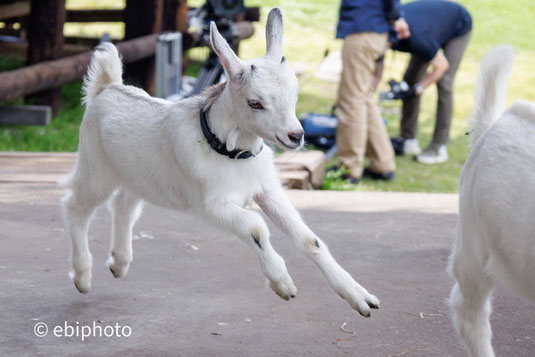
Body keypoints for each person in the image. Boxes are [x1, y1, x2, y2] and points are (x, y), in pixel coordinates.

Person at [334, 0, 409, 184]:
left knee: (351, 100)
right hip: (373, 29)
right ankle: (383, 164)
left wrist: (397, 16)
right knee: (364, 98)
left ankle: (349, 167)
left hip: (363, 30)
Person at [390, 0, 472, 164]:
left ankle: (438, 146)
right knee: (410, 79)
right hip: (431, 29)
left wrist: (418, 89)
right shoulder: (384, 31)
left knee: (444, 82)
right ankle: (408, 139)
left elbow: (441, 66)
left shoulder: (415, 37)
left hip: (457, 24)